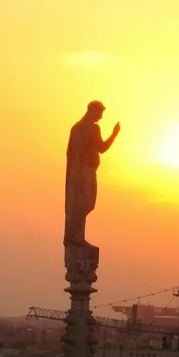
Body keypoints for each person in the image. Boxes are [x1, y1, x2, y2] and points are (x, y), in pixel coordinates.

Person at [64, 101, 120, 248]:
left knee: (79, 203)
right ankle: (74, 235)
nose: (101, 117)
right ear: (93, 111)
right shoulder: (92, 128)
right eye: (100, 112)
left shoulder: (76, 128)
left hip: (77, 173)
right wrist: (114, 135)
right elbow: (101, 148)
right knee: (86, 203)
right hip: (85, 172)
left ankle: (75, 235)